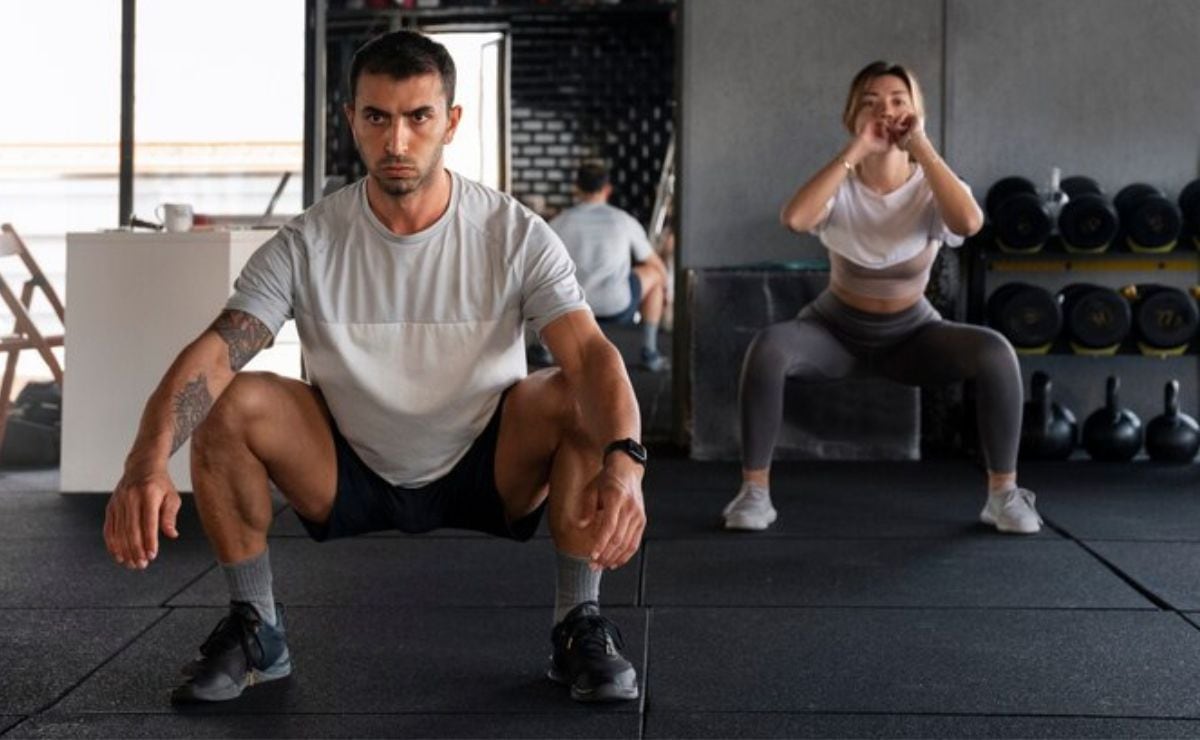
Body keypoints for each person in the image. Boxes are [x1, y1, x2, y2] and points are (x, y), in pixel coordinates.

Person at [102, 30, 646, 705]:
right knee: (230, 400)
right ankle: (257, 627)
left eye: (418, 117)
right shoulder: (308, 241)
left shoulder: (511, 233)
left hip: (488, 461)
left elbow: (593, 355)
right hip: (346, 462)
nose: (397, 141)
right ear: (351, 119)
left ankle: (578, 624)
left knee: (575, 390)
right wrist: (145, 462)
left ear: (450, 122)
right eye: (377, 117)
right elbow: (217, 352)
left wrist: (626, 461)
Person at [722, 61, 1041, 535]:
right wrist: (858, 148)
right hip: (833, 331)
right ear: (853, 116)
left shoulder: (930, 187)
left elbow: (969, 224)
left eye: (898, 101)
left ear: (916, 113)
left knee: (995, 351)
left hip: (913, 335)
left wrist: (922, 146)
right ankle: (754, 493)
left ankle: (1003, 495)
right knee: (768, 347)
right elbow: (795, 218)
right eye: (871, 103)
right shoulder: (840, 184)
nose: (886, 111)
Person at [549, 161, 671, 372]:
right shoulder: (623, 220)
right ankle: (650, 353)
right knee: (654, 274)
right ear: (607, 189)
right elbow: (655, 264)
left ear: (576, 188)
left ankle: (541, 347)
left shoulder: (559, 222)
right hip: (618, 306)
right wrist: (668, 293)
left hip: (573, 308)